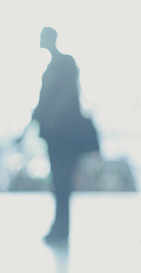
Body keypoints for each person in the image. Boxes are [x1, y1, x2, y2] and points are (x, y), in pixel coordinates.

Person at [22, 27, 98, 243]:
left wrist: (48, 122)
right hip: (59, 134)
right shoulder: (57, 65)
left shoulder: (62, 64)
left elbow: (57, 98)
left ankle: (61, 227)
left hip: (62, 135)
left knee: (62, 182)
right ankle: (60, 226)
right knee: (61, 182)